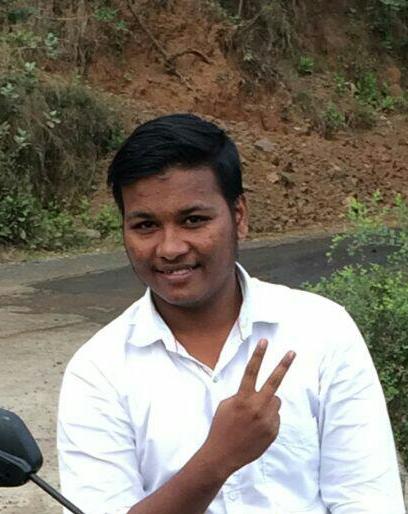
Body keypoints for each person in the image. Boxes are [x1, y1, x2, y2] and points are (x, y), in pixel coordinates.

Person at [57, 113, 405, 514]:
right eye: (145, 225)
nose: (170, 248)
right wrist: (218, 459)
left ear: (239, 217)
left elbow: (367, 499)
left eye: (193, 220)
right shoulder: (98, 372)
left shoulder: (322, 332)